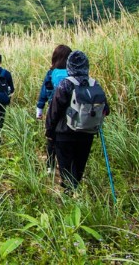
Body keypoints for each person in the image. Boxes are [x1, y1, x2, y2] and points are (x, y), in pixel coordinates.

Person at [45, 50, 110, 190]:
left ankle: (69, 193)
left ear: (69, 66)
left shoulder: (65, 84)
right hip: (87, 132)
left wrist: (49, 131)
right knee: (79, 164)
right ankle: (75, 188)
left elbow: (54, 111)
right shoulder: (94, 84)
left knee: (66, 165)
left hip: (64, 133)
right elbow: (106, 109)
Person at [35, 45, 72, 173]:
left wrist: (39, 108)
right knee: (67, 139)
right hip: (72, 112)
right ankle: (67, 170)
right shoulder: (73, 74)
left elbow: (44, 92)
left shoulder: (51, 73)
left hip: (54, 110)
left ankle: (50, 167)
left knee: (51, 138)